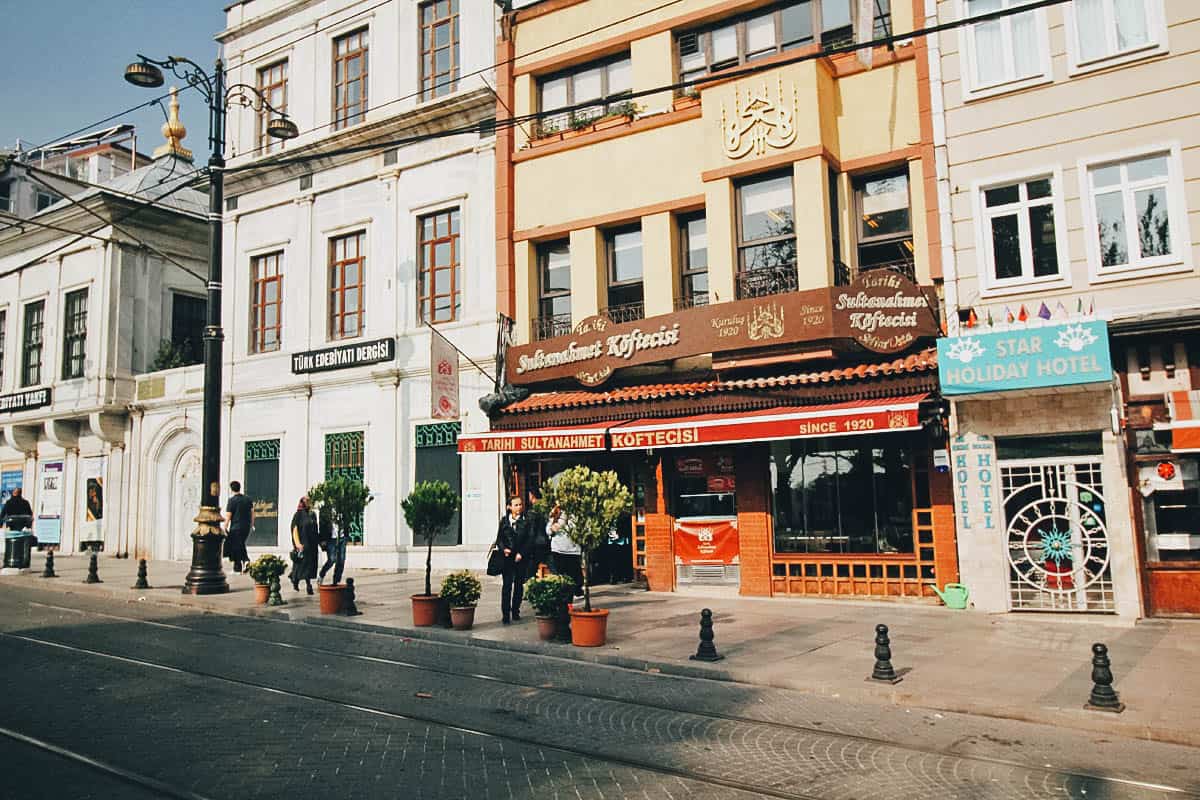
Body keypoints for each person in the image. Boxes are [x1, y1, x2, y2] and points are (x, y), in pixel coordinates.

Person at [494, 495, 533, 624]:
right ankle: (505, 614)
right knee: (506, 586)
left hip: (520, 558)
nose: (519, 507)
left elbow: (529, 540)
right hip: (507, 558)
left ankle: (515, 611)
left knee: (518, 585)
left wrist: (521, 553)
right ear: (509, 507)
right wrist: (503, 548)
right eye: (516, 505)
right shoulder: (504, 521)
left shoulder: (526, 521)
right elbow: (499, 539)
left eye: (520, 504)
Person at [547, 502, 583, 599]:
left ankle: (576, 592)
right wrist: (552, 527)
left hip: (572, 549)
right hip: (557, 549)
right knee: (561, 577)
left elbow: (578, 529)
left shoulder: (575, 514)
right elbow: (548, 530)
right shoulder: (556, 513)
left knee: (574, 575)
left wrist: (562, 525)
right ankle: (564, 597)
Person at [289, 496, 319, 595]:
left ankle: (304, 582)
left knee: (309, 566)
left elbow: (315, 529)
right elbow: (294, 529)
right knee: (302, 565)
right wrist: (297, 544)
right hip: (303, 544)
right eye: (306, 501)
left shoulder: (312, 515)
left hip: (312, 545)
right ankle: (301, 582)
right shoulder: (298, 515)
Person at [223, 481, 254, 574]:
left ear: (231, 489)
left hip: (235, 527)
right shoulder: (248, 499)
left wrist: (225, 526)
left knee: (237, 545)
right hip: (246, 526)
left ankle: (245, 560)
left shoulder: (231, 501)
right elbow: (252, 513)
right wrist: (252, 525)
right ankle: (237, 568)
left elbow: (229, 515)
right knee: (239, 545)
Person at [317, 504, 348, 586]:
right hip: (331, 538)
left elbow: (347, 521)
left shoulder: (343, 507)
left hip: (342, 537)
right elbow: (322, 525)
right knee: (332, 559)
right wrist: (322, 539)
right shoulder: (325, 509)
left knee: (341, 560)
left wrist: (346, 534)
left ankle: (336, 580)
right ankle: (321, 574)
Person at [526, 488, 550, 577]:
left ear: (532, 495)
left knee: (531, 568)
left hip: (536, 543)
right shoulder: (546, 508)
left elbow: (532, 530)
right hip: (546, 541)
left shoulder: (533, 511)